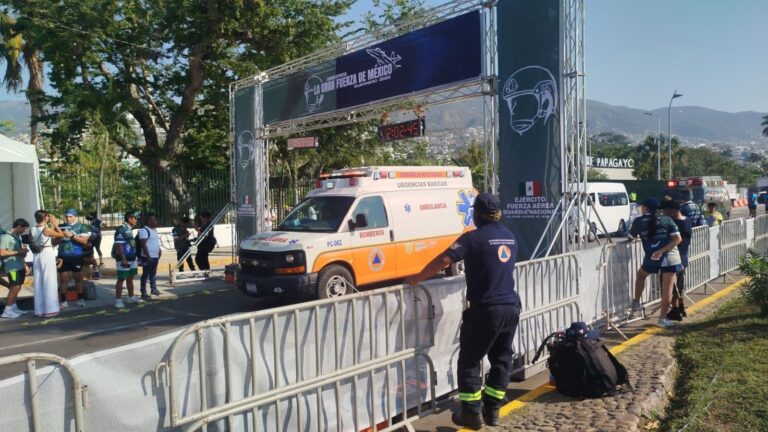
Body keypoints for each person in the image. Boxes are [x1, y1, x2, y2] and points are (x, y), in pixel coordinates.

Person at [405, 193, 520, 430]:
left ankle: (471, 412)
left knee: (469, 360)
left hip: (486, 309)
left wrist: (417, 278)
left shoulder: (472, 238)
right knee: (501, 358)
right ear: (498, 213)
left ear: (476, 214)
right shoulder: (509, 237)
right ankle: (493, 408)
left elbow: (444, 260)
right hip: (511, 307)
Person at [628, 198, 683, 328]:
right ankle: (662, 319)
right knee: (667, 290)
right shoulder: (666, 220)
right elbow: (677, 239)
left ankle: (636, 302)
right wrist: (662, 250)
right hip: (670, 258)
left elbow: (630, 237)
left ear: (645, 208)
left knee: (641, 275)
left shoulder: (638, 221)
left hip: (651, 257)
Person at [31, 211, 66, 317]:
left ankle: (39, 310)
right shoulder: (46, 229)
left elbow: (31, 240)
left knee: (39, 281)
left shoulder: (32, 229)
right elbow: (61, 235)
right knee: (49, 280)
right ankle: (51, 309)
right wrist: (55, 223)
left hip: (37, 254)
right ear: (45, 217)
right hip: (46, 253)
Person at [661, 200, 692, 321]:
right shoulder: (687, 220)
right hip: (683, 257)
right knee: (679, 285)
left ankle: (675, 311)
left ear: (673, 211)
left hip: (674, 258)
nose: (664, 213)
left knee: (671, 287)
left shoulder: (675, 223)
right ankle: (681, 308)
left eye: (666, 211)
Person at [55, 209, 91, 308]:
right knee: (63, 279)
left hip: (76, 256)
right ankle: (63, 301)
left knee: (78, 278)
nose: (68, 218)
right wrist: (58, 237)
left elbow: (84, 241)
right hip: (63, 256)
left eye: (70, 216)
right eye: (66, 216)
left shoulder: (82, 227)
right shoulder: (61, 227)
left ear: (75, 216)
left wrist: (72, 236)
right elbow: (53, 242)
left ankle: (80, 299)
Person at [0, 219, 31, 318]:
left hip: (19, 265)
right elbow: (2, 252)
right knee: (15, 286)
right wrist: (18, 252)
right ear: (18, 226)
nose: (24, 231)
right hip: (12, 267)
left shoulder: (17, 236)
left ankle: (13, 307)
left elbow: (19, 252)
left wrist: (25, 264)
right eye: (23, 228)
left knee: (18, 287)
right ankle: (7, 310)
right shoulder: (5, 237)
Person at [113, 212, 142, 308]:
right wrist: (123, 259)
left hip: (132, 258)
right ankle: (118, 300)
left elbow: (130, 243)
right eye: (135, 218)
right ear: (129, 219)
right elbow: (118, 245)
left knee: (130, 277)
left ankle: (131, 297)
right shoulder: (121, 229)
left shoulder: (129, 229)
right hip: (124, 259)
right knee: (121, 279)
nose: (136, 220)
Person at [138, 213, 162, 299]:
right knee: (145, 274)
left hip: (155, 256)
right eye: (154, 220)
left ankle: (153, 289)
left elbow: (155, 242)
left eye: (155, 219)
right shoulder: (144, 230)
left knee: (153, 274)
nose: (156, 221)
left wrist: (159, 250)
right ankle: (143, 292)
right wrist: (148, 256)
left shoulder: (154, 230)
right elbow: (143, 244)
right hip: (147, 257)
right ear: (149, 221)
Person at [85, 212, 105, 278]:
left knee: (97, 248)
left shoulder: (97, 221)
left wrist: (102, 225)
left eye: (91, 216)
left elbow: (103, 225)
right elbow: (86, 217)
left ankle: (101, 262)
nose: (90, 217)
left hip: (97, 237)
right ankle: (92, 259)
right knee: (90, 248)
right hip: (92, 237)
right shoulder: (91, 220)